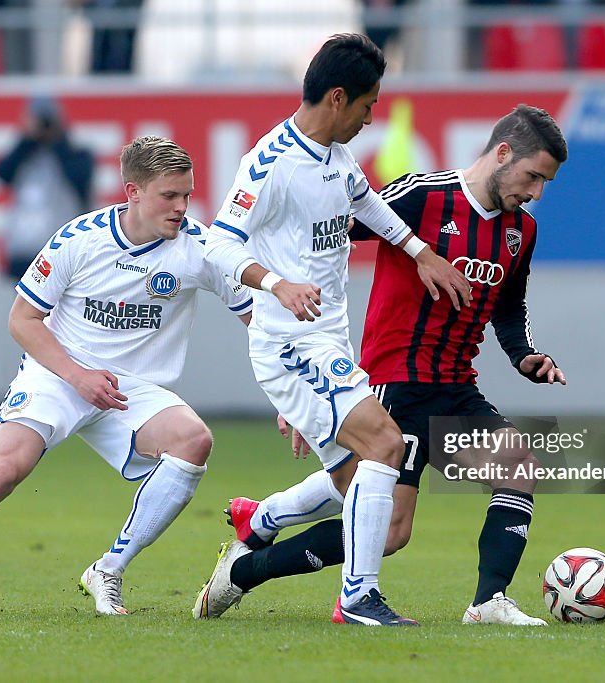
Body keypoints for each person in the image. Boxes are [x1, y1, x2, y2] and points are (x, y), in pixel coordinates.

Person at [197, 104, 568, 626]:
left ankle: (488, 604)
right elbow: (323, 240)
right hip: (396, 383)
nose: (535, 193)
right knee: (389, 530)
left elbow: (508, 310)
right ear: (502, 153)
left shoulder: (518, 233)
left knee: (517, 467)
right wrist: (303, 366)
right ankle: (246, 571)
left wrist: (526, 355)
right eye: (533, 177)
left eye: (545, 182)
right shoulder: (420, 195)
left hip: (457, 386)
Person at [0, 136, 253, 616]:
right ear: (132, 191)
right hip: (58, 373)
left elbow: (255, 319)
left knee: (193, 441)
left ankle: (108, 570)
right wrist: (78, 375)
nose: (181, 207)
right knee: (6, 468)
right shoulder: (79, 239)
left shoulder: (200, 248)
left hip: (127, 390)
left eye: (187, 195)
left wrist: (290, 396)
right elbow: (22, 320)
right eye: (169, 196)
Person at [199, 33, 471, 627]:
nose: (373, 116)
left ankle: (262, 521)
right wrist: (276, 285)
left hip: (325, 344)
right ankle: (357, 599)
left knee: (369, 504)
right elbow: (214, 245)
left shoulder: (337, 160)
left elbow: (367, 203)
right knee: (386, 445)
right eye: (370, 104)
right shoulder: (268, 163)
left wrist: (423, 252)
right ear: (339, 98)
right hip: (289, 342)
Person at [0, 95, 95, 278]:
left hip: (62, 250)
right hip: (23, 249)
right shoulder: (24, 155)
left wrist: (58, 140)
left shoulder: (75, 155)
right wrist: (27, 140)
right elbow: (2, 173)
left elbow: (80, 177)